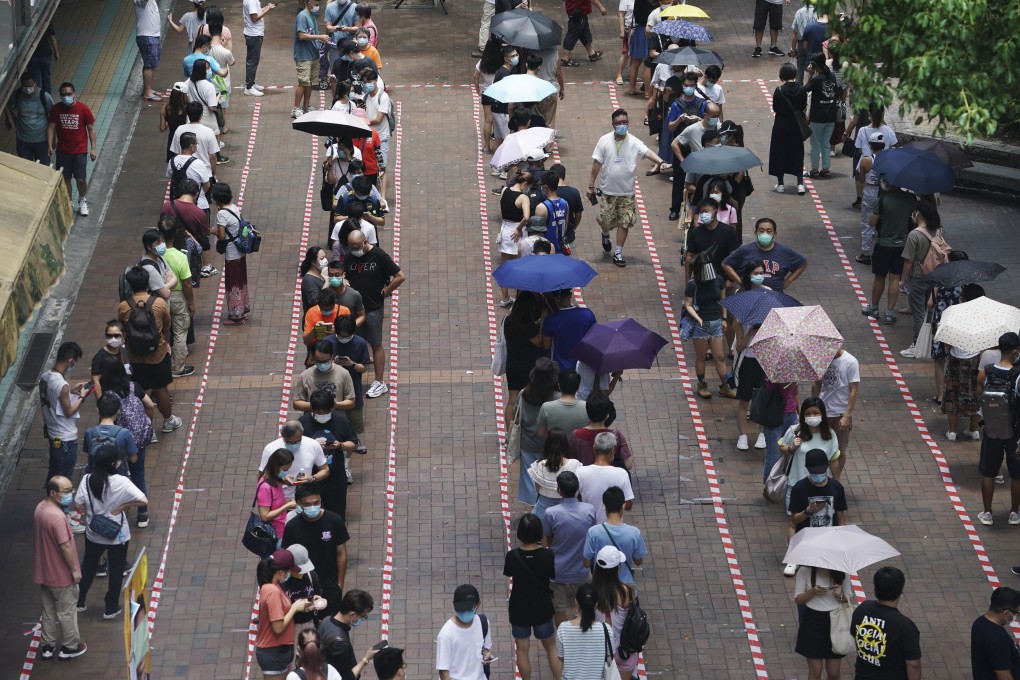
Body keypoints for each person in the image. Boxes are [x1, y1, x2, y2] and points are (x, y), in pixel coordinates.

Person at [586, 108, 669, 267]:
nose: (622, 125)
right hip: (608, 191)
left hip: (627, 193)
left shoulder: (634, 141)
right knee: (605, 220)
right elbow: (597, 163)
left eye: (624, 122)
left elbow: (648, 152)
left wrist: (661, 162)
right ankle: (605, 234)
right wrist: (591, 185)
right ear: (613, 124)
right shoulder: (603, 141)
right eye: (618, 123)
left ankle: (618, 253)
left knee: (624, 222)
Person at [73, 447, 148, 618]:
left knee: (89, 566)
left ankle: (80, 601)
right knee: (116, 571)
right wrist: (124, 506)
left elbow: (77, 505)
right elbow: (143, 499)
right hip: (117, 535)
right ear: (114, 463)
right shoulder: (122, 482)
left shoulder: (86, 480)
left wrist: (91, 509)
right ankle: (111, 608)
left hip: (93, 533)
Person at [117, 267, 183, 435]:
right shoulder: (159, 304)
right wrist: (165, 343)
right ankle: (168, 421)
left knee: (142, 392)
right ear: (147, 283)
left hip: (135, 357)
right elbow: (167, 327)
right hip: (158, 354)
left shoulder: (124, 307)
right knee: (161, 390)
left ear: (130, 285)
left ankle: (148, 430)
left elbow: (123, 329)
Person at [344, 230, 405, 398]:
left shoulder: (378, 255)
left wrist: (385, 292)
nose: (353, 250)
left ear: (364, 242)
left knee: (375, 343)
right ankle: (353, 380)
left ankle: (379, 381)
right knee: (357, 342)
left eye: (356, 247)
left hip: (372, 308)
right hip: (354, 309)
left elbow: (400, 276)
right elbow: (345, 274)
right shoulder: (349, 257)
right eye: (350, 247)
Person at [34, 475, 87, 660]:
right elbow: (64, 545)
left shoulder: (40, 508)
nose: (69, 494)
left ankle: (47, 645)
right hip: (61, 575)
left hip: (44, 571)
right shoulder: (57, 517)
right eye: (66, 491)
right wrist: (74, 570)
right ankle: (70, 646)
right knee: (67, 611)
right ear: (53, 493)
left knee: (48, 610)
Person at [503, 514, 560, 680]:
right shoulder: (548, 555)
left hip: (519, 609)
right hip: (542, 607)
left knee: (522, 649)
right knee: (551, 648)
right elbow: (551, 575)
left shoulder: (512, 556)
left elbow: (509, 573)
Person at [283, 483, 350, 616]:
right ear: (299, 504)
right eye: (307, 504)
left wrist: (339, 584)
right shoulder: (292, 527)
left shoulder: (334, 521)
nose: (312, 507)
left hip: (329, 586)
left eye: (316, 502)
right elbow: (287, 558)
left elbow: (341, 553)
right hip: (303, 588)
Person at [974, 333, 1020, 527]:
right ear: (1016, 351)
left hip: (992, 429)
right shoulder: (1018, 375)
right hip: (1014, 431)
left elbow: (980, 399)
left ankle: (987, 513)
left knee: (989, 472)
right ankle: (1014, 514)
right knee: (1017, 474)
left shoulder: (986, 372)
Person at [543, 471, 596, 627]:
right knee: (586, 606)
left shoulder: (551, 513)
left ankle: (564, 640)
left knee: (559, 609)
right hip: (581, 570)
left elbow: (549, 539)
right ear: (577, 488)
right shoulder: (589, 510)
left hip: (557, 571)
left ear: (559, 489)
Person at [852, 567, 922, 678]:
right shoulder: (905, 627)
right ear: (900, 590)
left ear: (876, 588)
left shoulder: (862, 609)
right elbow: (913, 665)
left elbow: (856, 637)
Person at [785, 449, 847, 576]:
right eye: (814, 472)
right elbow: (794, 521)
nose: (818, 474)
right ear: (807, 468)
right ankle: (794, 557)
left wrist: (841, 541)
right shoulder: (799, 488)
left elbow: (840, 518)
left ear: (827, 467)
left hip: (828, 537)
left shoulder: (837, 488)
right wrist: (808, 511)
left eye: (821, 471)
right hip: (806, 537)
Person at [685, 258, 737, 400]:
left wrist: (724, 318)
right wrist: (698, 318)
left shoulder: (718, 280)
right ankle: (702, 384)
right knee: (701, 357)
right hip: (700, 326)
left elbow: (723, 300)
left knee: (719, 356)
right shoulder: (693, 285)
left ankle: (726, 385)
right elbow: (688, 304)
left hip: (716, 323)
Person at [512, 358, 562, 508]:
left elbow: (516, 413)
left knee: (530, 477)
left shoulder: (524, 394)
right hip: (549, 444)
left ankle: (535, 507)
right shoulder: (557, 398)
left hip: (528, 443)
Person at [899, 199, 945, 358]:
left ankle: (918, 344)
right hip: (934, 275)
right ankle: (931, 341)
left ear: (918, 213)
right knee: (929, 310)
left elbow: (908, 260)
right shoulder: (937, 230)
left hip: (918, 277)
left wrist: (903, 279)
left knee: (918, 312)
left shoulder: (914, 234)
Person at [861, 180, 912, 322]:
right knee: (895, 278)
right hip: (901, 245)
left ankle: (874, 307)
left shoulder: (882, 200)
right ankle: (890, 313)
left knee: (879, 277)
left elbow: (872, 222)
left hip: (884, 244)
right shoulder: (910, 199)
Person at [778, 397, 840, 512]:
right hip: (796, 486)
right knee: (795, 521)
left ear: (822, 414)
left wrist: (837, 485)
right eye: (808, 413)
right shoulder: (794, 432)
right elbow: (782, 449)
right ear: (803, 416)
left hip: (821, 487)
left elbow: (834, 459)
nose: (812, 416)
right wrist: (791, 447)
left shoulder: (830, 434)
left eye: (816, 413)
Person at [255, 549, 311, 677]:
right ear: (280, 572)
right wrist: (294, 608)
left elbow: (281, 610)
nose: (289, 574)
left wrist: (301, 605)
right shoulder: (273, 591)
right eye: (288, 571)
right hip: (273, 651)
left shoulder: (272, 586)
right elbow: (278, 627)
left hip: (279, 651)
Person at [941, 283, 985, 442]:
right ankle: (974, 430)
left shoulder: (954, 316)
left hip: (955, 362)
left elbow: (948, 344)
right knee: (975, 395)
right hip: (976, 362)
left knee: (953, 395)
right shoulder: (985, 319)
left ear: (964, 298)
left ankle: (952, 432)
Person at [39, 341, 89, 483]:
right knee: (63, 482)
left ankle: (49, 503)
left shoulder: (45, 377)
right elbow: (69, 411)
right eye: (75, 362)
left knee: (53, 475)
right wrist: (82, 396)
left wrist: (71, 391)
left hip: (52, 435)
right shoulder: (62, 385)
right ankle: (60, 506)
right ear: (70, 360)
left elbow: (54, 397)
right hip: (65, 439)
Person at [299, 387, 357, 506]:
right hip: (310, 478)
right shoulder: (303, 422)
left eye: (326, 412)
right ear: (312, 409)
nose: (322, 415)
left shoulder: (341, 421)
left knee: (336, 511)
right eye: (318, 412)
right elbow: (295, 444)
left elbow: (353, 444)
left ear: (332, 408)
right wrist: (312, 445)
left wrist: (340, 445)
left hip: (335, 478)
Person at [47, 82, 96, 215]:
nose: (66, 97)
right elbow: (51, 127)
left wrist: (93, 149)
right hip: (63, 151)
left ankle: (82, 200)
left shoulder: (83, 109)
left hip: (80, 151)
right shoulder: (56, 109)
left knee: (80, 179)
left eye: (69, 94)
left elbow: (90, 129)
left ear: (74, 94)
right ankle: (69, 202)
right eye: (63, 95)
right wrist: (50, 145)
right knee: (66, 179)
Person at [721, 218, 808, 292]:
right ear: (756, 233)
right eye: (761, 231)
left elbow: (802, 263)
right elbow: (726, 264)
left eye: (769, 231)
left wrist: (788, 281)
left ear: (774, 233)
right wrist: (740, 282)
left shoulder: (784, 251)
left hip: (774, 296)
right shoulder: (745, 250)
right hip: (749, 295)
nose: (765, 234)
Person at [591, 545, 638, 680]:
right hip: (623, 650)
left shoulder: (590, 593)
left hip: (598, 650)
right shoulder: (626, 592)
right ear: (617, 568)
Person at [582, 486, 646, 585]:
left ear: (604, 506)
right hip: (625, 587)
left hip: (600, 586)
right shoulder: (634, 533)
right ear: (623, 505)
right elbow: (638, 561)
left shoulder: (593, 532)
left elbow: (586, 563)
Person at [794, 565, 848, 680]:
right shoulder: (805, 570)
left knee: (834, 673)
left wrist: (840, 596)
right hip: (812, 622)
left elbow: (849, 599)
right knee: (816, 672)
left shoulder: (842, 571)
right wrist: (812, 592)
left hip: (835, 622)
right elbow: (798, 600)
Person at [812, 348, 859, 480]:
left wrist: (846, 416)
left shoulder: (850, 362)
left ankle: (836, 480)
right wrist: (813, 406)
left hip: (839, 414)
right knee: (819, 447)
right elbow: (816, 384)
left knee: (840, 451)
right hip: (823, 413)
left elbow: (854, 390)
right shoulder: (821, 359)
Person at [211, 182, 252, 324]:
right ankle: (243, 308)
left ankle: (236, 315)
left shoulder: (222, 214)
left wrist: (212, 231)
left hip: (232, 253)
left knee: (233, 284)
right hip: (240, 250)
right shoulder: (234, 207)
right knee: (241, 282)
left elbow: (221, 236)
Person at [259, 421, 330, 502]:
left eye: (297, 441)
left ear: (302, 433)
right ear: (282, 435)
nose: (293, 444)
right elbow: (262, 475)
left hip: (305, 500)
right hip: (278, 500)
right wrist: (280, 479)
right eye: (288, 442)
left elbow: (325, 470)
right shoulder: (270, 449)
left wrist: (312, 478)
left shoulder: (313, 445)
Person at [436, 584, 494, 680]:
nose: (464, 612)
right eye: (461, 608)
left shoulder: (483, 623)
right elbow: (443, 671)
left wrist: (486, 654)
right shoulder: (446, 635)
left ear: (478, 605)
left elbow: (486, 649)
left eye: (468, 608)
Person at [318, 589, 379, 680]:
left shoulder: (326, 620)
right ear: (352, 614)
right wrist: (366, 658)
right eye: (363, 616)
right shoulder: (341, 645)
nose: (363, 619)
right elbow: (348, 678)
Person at [556, 583, 612, 680]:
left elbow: (561, 658)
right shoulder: (606, 630)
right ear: (596, 604)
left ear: (576, 601)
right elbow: (610, 656)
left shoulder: (563, 628)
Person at [577, 432, 634, 523]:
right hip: (613, 527)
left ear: (594, 448)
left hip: (587, 525)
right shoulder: (621, 474)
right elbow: (628, 506)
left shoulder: (580, 472)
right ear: (613, 450)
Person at [768, 63, 807, 195]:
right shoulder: (801, 89)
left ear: (782, 75)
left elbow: (775, 108)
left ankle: (781, 184)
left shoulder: (779, 91)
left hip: (781, 125)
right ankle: (800, 183)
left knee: (779, 153)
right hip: (796, 126)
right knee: (797, 153)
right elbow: (802, 106)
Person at [496, 172, 533, 306]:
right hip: (517, 232)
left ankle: (505, 298)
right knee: (521, 267)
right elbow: (527, 217)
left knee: (505, 266)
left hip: (505, 230)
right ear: (525, 184)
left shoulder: (504, 190)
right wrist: (518, 228)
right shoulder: (523, 198)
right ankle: (519, 299)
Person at [529, 428, 583, 519]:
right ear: (565, 444)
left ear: (547, 444)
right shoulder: (575, 465)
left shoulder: (539, 465)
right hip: (569, 508)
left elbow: (538, 489)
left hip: (544, 507)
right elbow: (579, 489)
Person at [569, 394, 633, 467]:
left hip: (583, 477)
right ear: (607, 415)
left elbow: (570, 460)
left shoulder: (576, 435)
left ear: (587, 412)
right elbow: (628, 464)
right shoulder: (616, 435)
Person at [971, 586, 1020, 680]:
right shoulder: (998, 640)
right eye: (1015, 614)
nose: (1016, 617)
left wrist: (1015, 648)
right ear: (1006, 613)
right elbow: (1004, 676)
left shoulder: (979, 622)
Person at [5, 72, 54, 164]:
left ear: (35, 83)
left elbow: (53, 119)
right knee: (26, 168)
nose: (27, 89)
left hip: (42, 141)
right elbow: (6, 102)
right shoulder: (17, 95)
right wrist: (10, 118)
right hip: (23, 141)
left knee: (43, 168)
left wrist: (53, 140)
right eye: (25, 86)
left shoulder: (44, 97)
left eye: (30, 86)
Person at [543, 289, 597, 371]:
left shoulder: (551, 319)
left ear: (555, 298)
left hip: (560, 368)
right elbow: (594, 339)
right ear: (570, 295)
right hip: (583, 367)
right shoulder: (587, 314)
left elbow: (546, 345)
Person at [293, 0, 330, 119]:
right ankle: (296, 108)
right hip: (303, 56)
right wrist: (319, 37)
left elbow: (313, 33)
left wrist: (321, 40)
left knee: (309, 81)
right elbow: (301, 35)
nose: (318, 7)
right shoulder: (302, 16)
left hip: (313, 55)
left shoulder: (312, 16)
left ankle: (306, 106)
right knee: (303, 82)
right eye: (316, 4)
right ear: (309, 4)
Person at [803, 53, 839, 178]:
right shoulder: (832, 76)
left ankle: (814, 169)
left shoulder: (816, 80)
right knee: (825, 143)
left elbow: (804, 90)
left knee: (815, 144)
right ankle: (825, 168)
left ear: (814, 65)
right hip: (831, 117)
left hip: (817, 117)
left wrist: (810, 75)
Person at [853, 131, 886, 266]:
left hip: (870, 191)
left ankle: (866, 253)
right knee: (883, 222)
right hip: (883, 192)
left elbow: (861, 180)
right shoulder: (887, 158)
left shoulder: (866, 160)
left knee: (867, 223)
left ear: (871, 146)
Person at [761, 379, 800, 486]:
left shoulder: (794, 372)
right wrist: (793, 380)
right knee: (774, 454)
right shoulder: (772, 373)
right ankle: (768, 486)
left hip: (791, 415)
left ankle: (784, 483)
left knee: (791, 451)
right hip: (774, 416)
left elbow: (795, 393)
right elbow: (786, 387)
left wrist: (799, 412)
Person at [257, 448, 298, 543]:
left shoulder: (274, 478)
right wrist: (287, 506)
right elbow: (265, 516)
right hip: (275, 533)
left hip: (282, 528)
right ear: (275, 466)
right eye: (285, 469)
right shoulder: (265, 487)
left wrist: (284, 480)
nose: (286, 472)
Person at [242, 0, 275, 95]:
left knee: (254, 60)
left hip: (254, 33)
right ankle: (249, 87)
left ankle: (251, 82)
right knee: (252, 61)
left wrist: (265, 7)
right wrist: (268, 9)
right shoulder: (251, 1)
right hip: (254, 34)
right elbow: (255, 18)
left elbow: (256, 11)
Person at [561, 0, 606, 67]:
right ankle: (565, 58)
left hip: (579, 11)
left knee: (584, 32)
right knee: (573, 34)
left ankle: (592, 53)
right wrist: (601, 7)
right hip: (577, 11)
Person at [134, 0, 163, 102]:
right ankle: (147, 93)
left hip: (152, 35)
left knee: (150, 64)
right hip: (147, 36)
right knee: (149, 65)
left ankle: (148, 89)